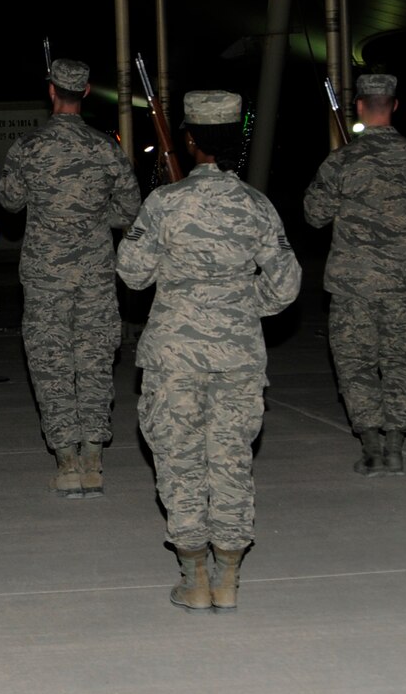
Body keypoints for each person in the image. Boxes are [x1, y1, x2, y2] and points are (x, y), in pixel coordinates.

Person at [117, 91, 301, 612]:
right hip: (239, 354)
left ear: (190, 139)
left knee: (179, 461)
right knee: (230, 460)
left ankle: (193, 577)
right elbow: (287, 283)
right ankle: (229, 578)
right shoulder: (257, 205)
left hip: (174, 354)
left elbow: (131, 271)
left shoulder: (165, 204)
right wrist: (241, 307)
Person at [0, 57, 142, 498]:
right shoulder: (106, 148)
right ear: (86, 91)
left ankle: (66, 463)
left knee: (51, 362)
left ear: (52, 91)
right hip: (96, 271)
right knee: (95, 361)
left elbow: (10, 202)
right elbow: (131, 207)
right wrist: (96, 221)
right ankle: (94, 459)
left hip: (46, 274)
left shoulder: (28, 148)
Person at [303, 73, 406, 476]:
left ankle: (370, 447)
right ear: (395, 106)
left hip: (353, 285)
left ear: (360, 106)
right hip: (403, 283)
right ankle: (396, 447)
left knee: (356, 364)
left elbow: (313, 215)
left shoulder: (343, 160)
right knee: (400, 361)